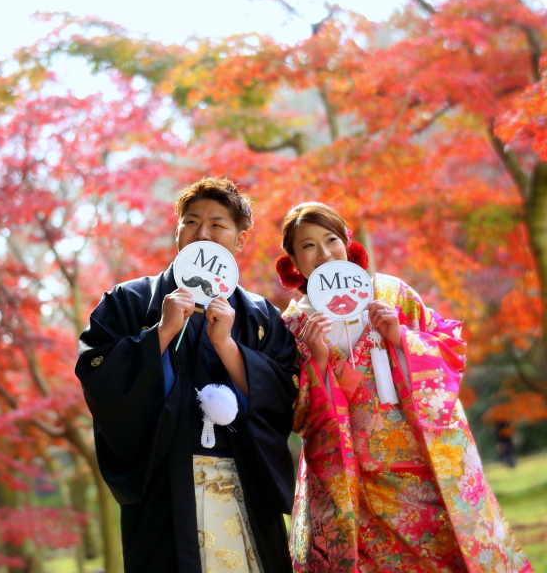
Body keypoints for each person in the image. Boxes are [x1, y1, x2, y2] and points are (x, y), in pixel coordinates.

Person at [275, 202, 532, 573]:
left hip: (418, 461)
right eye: (308, 245)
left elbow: (449, 350)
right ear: (294, 262)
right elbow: (293, 412)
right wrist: (316, 362)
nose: (324, 252)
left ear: (348, 244)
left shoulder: (390, 293)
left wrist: (400, 336)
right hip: (348, 478)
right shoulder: (294, 324)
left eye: (331, 239)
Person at [76, 178, 299, 573]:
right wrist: (160, 332)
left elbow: (286, 397)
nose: (202, 232)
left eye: (217, 224)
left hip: (245, 478)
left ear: (240, 240)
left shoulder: (261, 316)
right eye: (191, 221)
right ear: (178, 230)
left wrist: (228, 347)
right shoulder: (131, 301)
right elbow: (99, 376)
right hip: (165, 484)